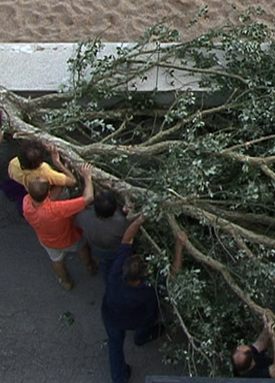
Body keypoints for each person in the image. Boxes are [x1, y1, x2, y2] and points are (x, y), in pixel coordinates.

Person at [101, 217, 185, 383]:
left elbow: (126, 239)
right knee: (149, 317)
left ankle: (119, 378)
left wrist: (140, 219)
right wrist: (179, 247)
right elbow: (173, 274)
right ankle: (141, 337)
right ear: (141, 276)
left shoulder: (116, 274)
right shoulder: (147, 289)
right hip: (137, 319)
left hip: (111, 315)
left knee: (115, 345)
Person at [22, 164, 98, 290]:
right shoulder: (56, 209)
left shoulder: (26, 203)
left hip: (46, 241)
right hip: (68, 238)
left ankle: (65, 282)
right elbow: (88, 198)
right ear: (48, 193)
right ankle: (89, 266)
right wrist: (87, 177)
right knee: (82, 247)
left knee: (56, 260)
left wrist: (62, 183)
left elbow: (46, 197)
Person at [8, 138, 77, 199]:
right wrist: (57, 163)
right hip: (46, 195)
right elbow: (72, 181)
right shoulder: (45, 173)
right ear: (41, 162)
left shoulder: (13, 163)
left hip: (28, 188)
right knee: (62, 186)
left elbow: (10, 174)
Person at [76, 190, 130, 266]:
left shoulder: (82, 217)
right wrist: (124, 212)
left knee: (103, 263)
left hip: (97, 248)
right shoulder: (122, 223)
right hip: (114, 248)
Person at [231, 311, 275, 379]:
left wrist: (266, 326)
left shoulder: (241, 362)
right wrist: (273, 338)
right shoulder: (256, 377)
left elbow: (260, 343)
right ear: (252, 362)